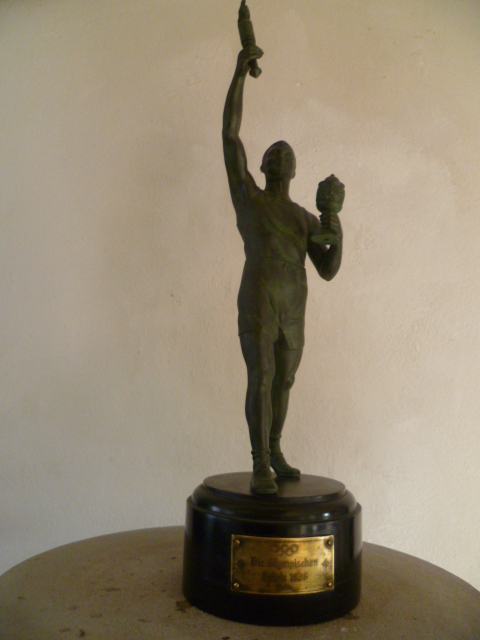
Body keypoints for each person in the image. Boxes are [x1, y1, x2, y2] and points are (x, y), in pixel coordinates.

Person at [223, 44, 345, 494]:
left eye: (287, 155)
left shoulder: (304, 219)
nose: (281, 157)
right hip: (259, 296)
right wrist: (239, 74)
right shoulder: (249, 199)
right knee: (262, 376)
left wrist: (336, 225)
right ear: (262, 165)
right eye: (274, 154)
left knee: (285, 379)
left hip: (294, 303)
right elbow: (229, 136)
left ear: (294, 170)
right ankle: (259, 463)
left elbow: (328, 268)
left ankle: (275, 448)